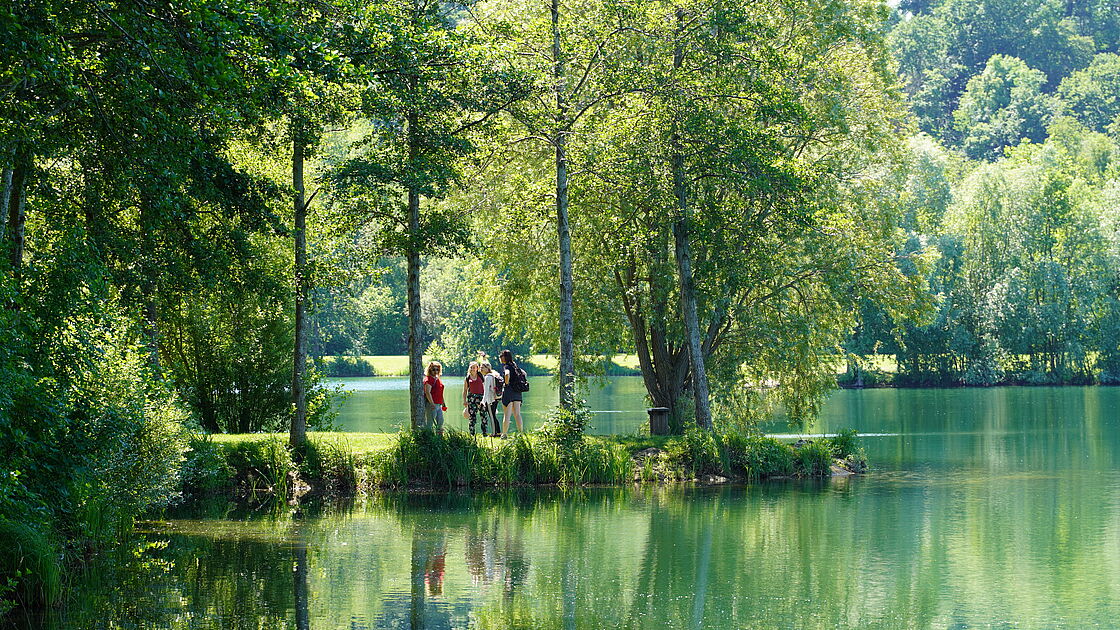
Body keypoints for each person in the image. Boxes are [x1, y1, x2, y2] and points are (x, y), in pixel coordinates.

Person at [499, 349, 524, 436]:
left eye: (501, 356)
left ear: (505, 357)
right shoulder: (515, 366)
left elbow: (507, 374)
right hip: (517, 392)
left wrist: (506, 384)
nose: (500, 358)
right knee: (517, 414)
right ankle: (521, 433)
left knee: (507, 414)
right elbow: (524, 373)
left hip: (509, 391)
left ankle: (504, 434)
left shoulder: (507, 366)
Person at [462, 361, 486, 436]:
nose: (473, 369)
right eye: (471, 367)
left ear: (477, 368)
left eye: (474, 367)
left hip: (481, 398)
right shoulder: (467, 378)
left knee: (483, 415)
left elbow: (485, 386)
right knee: (472, 417)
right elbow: (465, 390)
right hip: (471, 399)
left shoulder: (480, 375)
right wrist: (464, 401)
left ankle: (484, 433)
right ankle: (472, 433)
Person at [422, 361, 446, 432]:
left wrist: (443, 404)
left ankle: (439, 437)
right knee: (430, 423)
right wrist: (432, 404)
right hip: (431, 405)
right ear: (429, 370)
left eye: (437, 369)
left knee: (440, 421)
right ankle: (428, 436)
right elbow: (427, 392)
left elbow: (440, 393)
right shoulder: (428, 379)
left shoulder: (437, 379)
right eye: (433, 369)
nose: (436, 371)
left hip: (439, 405)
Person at [480, 361, 500, 437]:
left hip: (490, 400)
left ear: (487, 368)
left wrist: (483, 402)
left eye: (482, 367)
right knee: (493, 415)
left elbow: (486, 391)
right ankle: (498, 432)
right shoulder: (493, 375)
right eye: (480, 367)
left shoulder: (487, 377)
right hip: (495, 398)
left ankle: (494, 433)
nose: (481, 369)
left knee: (492, 416)